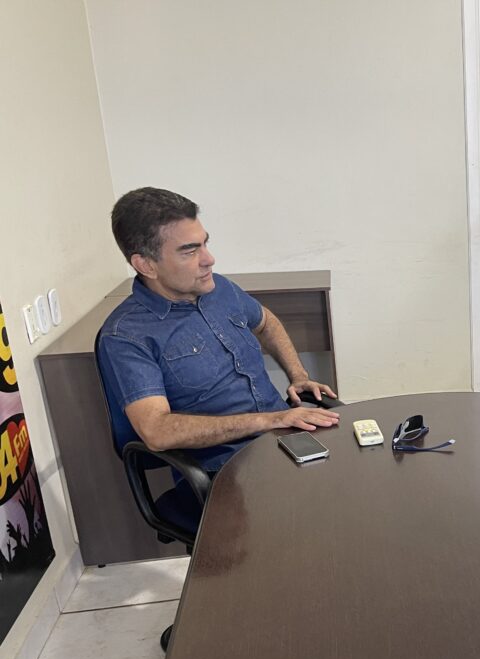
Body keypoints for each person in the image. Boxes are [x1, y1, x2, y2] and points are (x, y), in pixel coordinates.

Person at [97, 187, 340, 473]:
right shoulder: (126, 335)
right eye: (190, 251)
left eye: (204, 244)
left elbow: (266, 322)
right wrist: (270, 420)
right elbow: (157, 430)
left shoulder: (218, 288)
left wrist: (298, 376)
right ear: (146, 265)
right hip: (226, 468)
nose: (208, 259)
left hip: (285, 438)